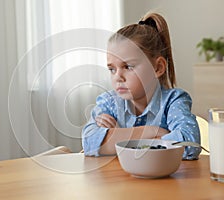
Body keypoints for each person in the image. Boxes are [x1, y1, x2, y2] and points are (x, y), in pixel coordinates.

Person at [81, 12, 201, 160]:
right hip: (120, 181)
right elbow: (90, 143)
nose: (118, 76)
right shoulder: (109, 102)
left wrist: (118, 139)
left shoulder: (174, 101)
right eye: (112, 69)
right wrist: (152, 131)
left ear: (157, 68)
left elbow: (189, 143)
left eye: (128, 66)